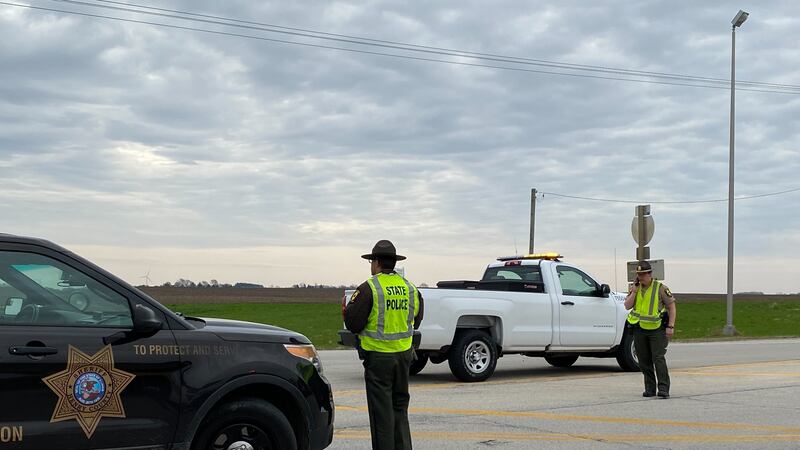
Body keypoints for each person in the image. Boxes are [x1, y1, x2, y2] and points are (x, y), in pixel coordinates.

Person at [344, 240, 424, 450]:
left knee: (382, 417)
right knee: (400, 410)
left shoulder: (370, 288)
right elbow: (418, 317)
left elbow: (353, 323)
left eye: (371, 261)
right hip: (404, 357)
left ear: (377, 262)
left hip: (378, 360)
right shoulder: (410, 288)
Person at [624, 260, 677, 399]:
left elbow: (671, 307)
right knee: (643, 360)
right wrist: (634, 292)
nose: (640, 277)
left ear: (650, 274)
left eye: (643, 274)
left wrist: (670, 326)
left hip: (656, 329)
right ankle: (650, 388)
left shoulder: (660, 288)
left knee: (658, 358)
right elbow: (627, 306)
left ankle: (663, 388)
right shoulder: (635, 288)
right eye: (638, 274)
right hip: (639, 329)